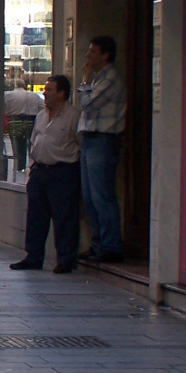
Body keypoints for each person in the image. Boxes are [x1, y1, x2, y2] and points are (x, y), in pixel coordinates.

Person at [10, 75, 81, 274]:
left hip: (62, 171)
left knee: (64, 217)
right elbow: (34, 141)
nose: (45, 93)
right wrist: (33, 166)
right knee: (35, 217)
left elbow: (81, 143)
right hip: (39, 172)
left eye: (49, 90)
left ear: (62, 93)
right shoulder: (41, 115)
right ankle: (33, 256)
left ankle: (65, 259)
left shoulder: (73, 116)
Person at [77, 35, 127, 264]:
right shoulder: (99, 79)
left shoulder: (110, 79)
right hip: (90, 141)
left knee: (101, 195)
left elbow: (87, 104)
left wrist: (84, 81)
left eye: (93, 51)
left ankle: (111, 245)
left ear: (105, 55)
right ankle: (97, 244)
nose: (88, 55)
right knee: (89, 197)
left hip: (103, 140)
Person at [4, 81, 44, 172]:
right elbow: (42, 107)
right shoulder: (34, 95)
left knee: (17, 144)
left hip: (14, 120)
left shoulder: (8, 95)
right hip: (30, 120)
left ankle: (19, 165)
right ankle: (32, 164)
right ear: (24, 86)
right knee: (31, 143)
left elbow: (2, 106)